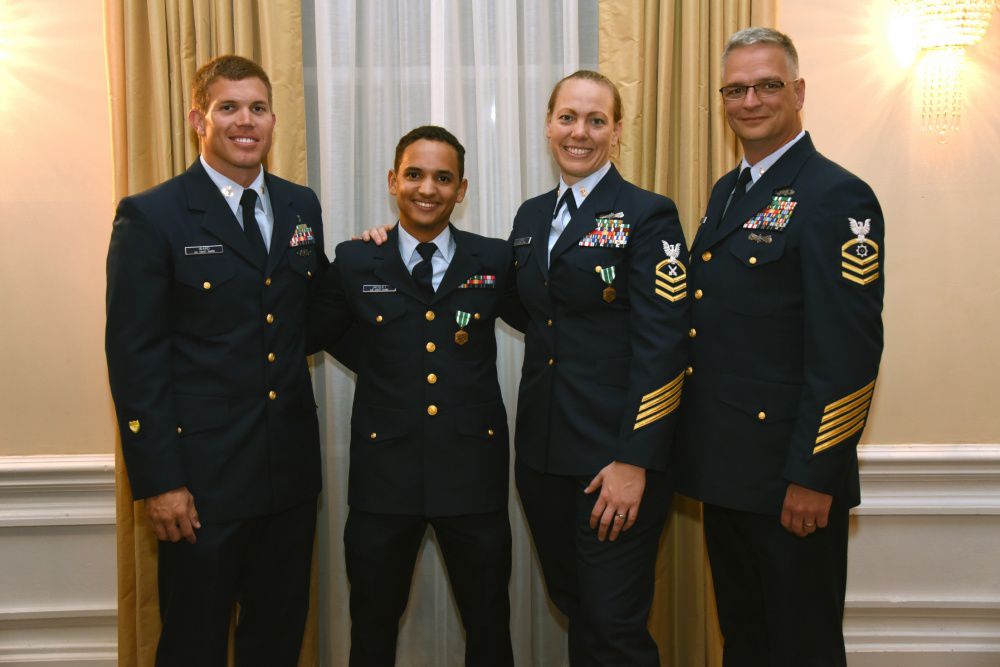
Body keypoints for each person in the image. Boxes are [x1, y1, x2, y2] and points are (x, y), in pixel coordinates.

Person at [105, 55, 326, 666]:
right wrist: (160, 482)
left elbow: (314, 314)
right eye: (228, 108)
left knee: (277, 642)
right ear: (198, 119)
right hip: (200, 486)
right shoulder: (152, 215)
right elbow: (134, 357)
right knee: (193, 646)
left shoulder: (300, 205)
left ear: (273, 119)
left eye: (257, 108)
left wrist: (376, 259)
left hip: (287, 478)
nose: (244, 121)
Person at [673, 27, 885, 665]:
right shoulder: (727, 191)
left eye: (767, 85)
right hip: (729, 469)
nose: (751, 100)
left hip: (791, 479)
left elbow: (849, 353)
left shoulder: (837, 195)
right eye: (735, 89)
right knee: (745, 642)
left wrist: (813, 476)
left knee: (802, 647)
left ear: (797, 91)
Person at [307, 126, 518, 667]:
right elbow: (311, 332)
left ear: (462, 189)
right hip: (384, 481)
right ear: (392, 181)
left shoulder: (493, 260)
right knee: (372, 628)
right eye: (416, 175)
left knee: (489, 626)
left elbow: (555, 323)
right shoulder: (356, 261)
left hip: (472, 477)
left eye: (443, 178)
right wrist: (383, 366)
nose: (428, 188)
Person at [510, 70, 689, 665]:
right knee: (578, 607)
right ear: (548, 125)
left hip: (615, 462)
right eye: (567, 118)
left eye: (594, 120)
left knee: (613, 626)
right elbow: (522, 306)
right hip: (543, 459)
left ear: (616, 130)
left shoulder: (647, 214)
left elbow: (666, 346)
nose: (578, 132)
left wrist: (635, 459)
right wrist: (393, 243)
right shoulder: (532, 217)